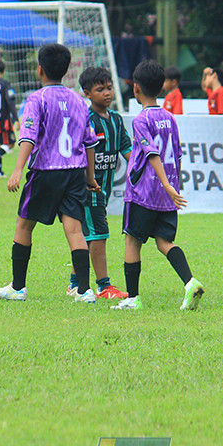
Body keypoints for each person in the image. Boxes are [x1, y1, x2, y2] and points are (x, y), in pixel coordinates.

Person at [0, 43, 100, 302]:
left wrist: (17, 169)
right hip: (75, 170)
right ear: (66, 70)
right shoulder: (79, 101)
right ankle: (84, 291)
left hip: (46, 170)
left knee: (24, 224)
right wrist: (90, 177)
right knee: (74, 230)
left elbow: (27, 136)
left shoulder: (37, 99)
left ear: (40, 69)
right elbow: (90, 142)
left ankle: (18, 287)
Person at [113, 59, 204, 311]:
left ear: (136, 89)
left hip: (144, 192)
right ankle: (189, 282)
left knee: (132, 241)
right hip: (167, 195)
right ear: (162, 88)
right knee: (164, 242)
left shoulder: (141, 120)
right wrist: (174, 185)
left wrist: (164, 184)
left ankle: (132, 298)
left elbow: (151, 153)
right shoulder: (170, 118)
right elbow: (177, 155)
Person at [65, 66, 132, 300]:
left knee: (87, 235)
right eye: (100, 89)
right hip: (87, 189)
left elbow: (128, 151)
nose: (107, 93)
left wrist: (145, 172)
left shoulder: (116, 120)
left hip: (103, 191)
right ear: (87, 93)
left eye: (110, 88)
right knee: (99, 235)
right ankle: (104, 286)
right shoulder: (85, 120)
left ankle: (74, 283)